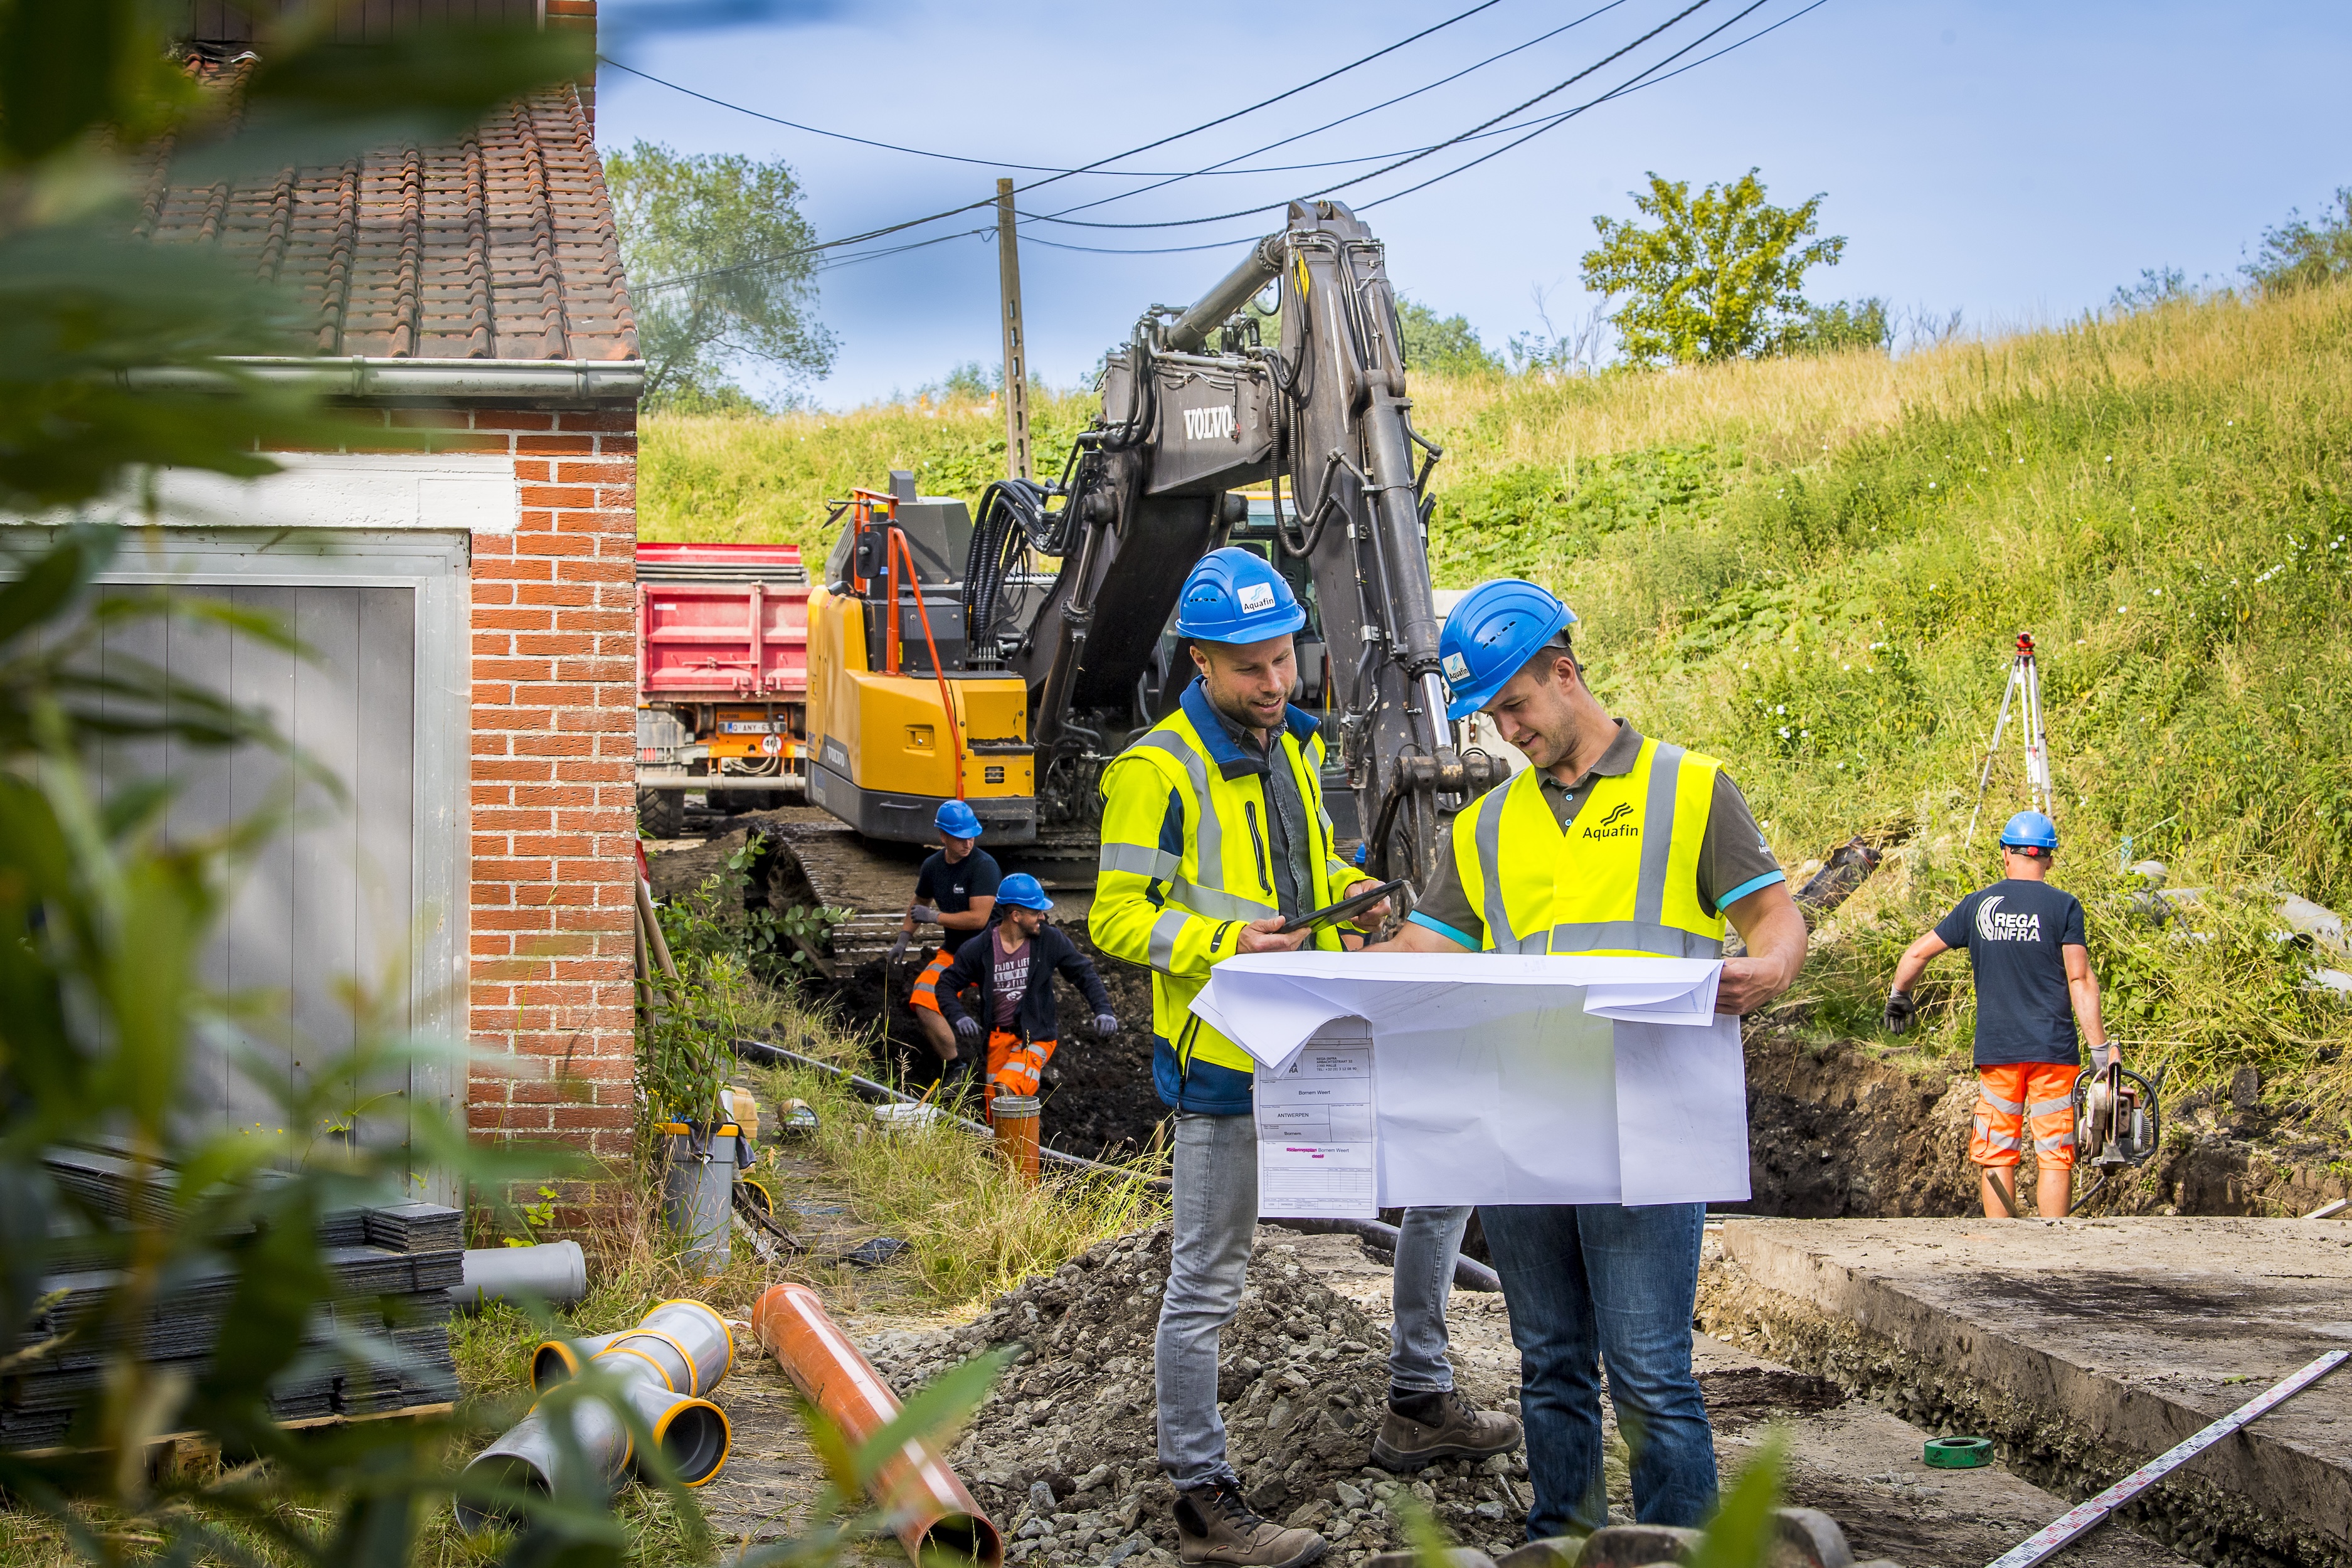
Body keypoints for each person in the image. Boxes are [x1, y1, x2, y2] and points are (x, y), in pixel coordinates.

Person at [1094, 549, 1518, 1568]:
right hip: (1228, 1060)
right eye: (1254, 667)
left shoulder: (1286, 746)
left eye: (1285, 658)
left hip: (1323, 1030)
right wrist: (1221, 946)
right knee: (1206, 1278)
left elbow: (1294, 866)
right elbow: (1116, 916)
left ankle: (1419, 1395)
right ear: (1200, 660)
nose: (1278, 682)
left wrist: (1351, 884)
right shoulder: (1153, 773)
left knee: (1449, 1162)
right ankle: (1203, 1502)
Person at [1368, 578, 1808, 1539]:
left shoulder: (1691, 788)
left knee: (1650, 1367)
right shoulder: (1485, 826)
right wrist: (1315, 969)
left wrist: (1767, 968)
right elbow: (1425, 956)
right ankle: (1558, 1543)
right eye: (1490, 717)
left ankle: (1675, 1554)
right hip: (1523, 1127)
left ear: (1564, 674)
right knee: (1550, 1360)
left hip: (1647, 1124)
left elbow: (1773, 918)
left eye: (1514, 707)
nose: (1505, 732)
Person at [1884, 809, 2111, 1220]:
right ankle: (2052, 1255)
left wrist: (1900, 995)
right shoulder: (2064, 907)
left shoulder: (1978, 905)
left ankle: (1999, 1255)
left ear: (2006, 854)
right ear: (2050, 858)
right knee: (2055, 1154)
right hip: (2054, 1052)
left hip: (1999, 1052)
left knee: (1997, 1151)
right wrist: (2100, 1048)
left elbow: (1917, 952)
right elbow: (2079, 980)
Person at [931, 872, 1117, 1116]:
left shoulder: (1050, 940)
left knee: (1007, 1087)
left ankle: (1023, 1152)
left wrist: (1104, 1010)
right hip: (997, 1039)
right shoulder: (980, 948)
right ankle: (1001, 1153)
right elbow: (945, 984)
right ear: (1016, 916)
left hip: (1037, 1036)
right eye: (1036, 911)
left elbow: (1084, 973)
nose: (1043, 916)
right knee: (994, 1110)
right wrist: (958, 1016)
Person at [892, 799, 1001, 1089]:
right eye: (960, 837)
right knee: (924, 999)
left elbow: (979, 919)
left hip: (994, 955)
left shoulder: (984, 867)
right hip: (955, 954)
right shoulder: (933, 867)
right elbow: (919, 903)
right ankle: (956, 1066)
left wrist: (936, 918)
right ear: (943, 836)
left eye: (971, 836)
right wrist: (904, 939)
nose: (968, 843)